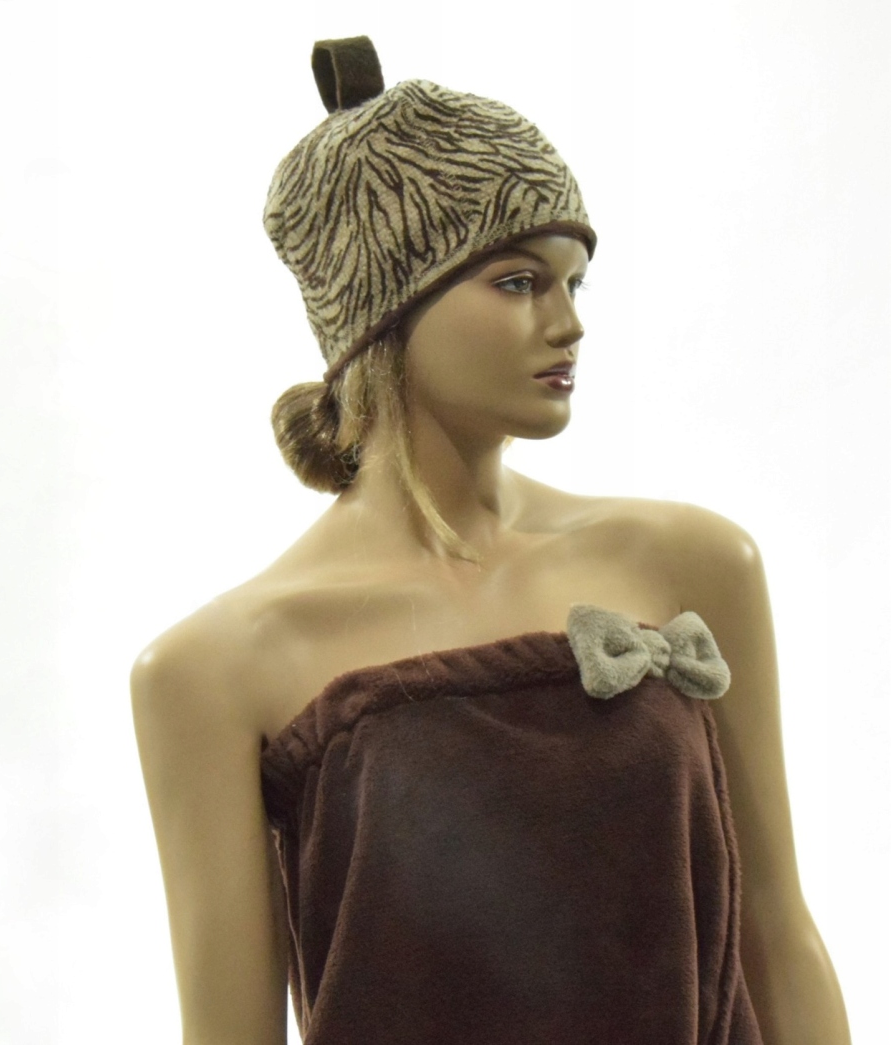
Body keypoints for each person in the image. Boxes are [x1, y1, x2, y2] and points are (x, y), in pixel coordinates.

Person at [131, 37, 847, 1044]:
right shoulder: (216, 665)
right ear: (387, 312)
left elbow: (778, 930)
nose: (568, 322)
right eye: (517, 282)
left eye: (573, 283)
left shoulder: (689, 562)